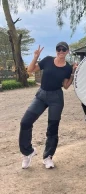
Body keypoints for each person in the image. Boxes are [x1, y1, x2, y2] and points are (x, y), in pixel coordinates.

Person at [19, 41, 77, 169]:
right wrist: (35, 56)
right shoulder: (47, 60)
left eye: (63, 49)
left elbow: (66, 86)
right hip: (41, 95)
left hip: (56, 97)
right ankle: (28, 152)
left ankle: (48, 157)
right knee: (25, 122)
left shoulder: (67, 67)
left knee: (52, 128)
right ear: (56, 50)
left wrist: (73, 72)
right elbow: (30, 70)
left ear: (67, 51)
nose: (61, 51)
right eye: (58, 49)